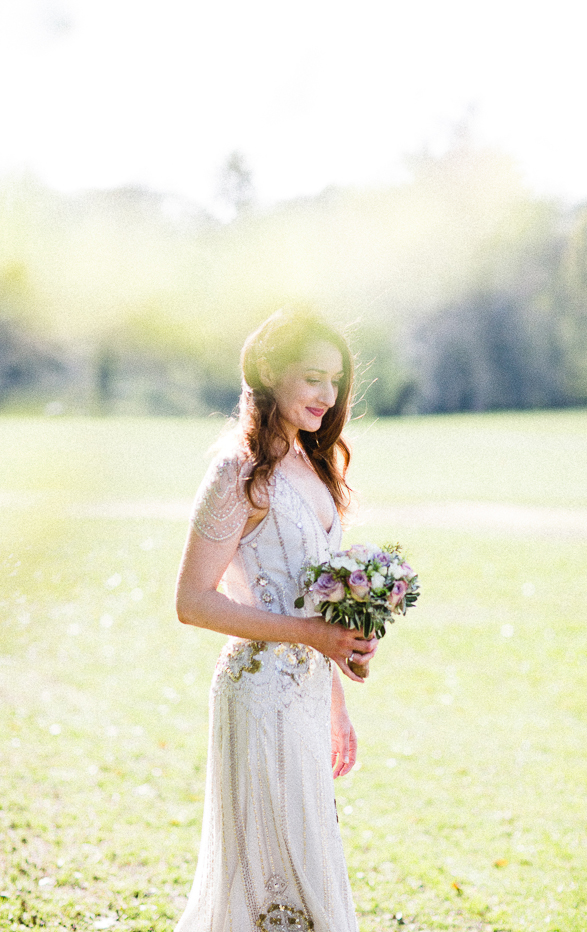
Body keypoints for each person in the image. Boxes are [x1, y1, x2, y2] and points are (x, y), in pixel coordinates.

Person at [174, 308, 377, 932]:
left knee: (310, 854)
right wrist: (318, 635)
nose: (327, 394)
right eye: (312, 377)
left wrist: (340, 671)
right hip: (257, 694)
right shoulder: (237, 472)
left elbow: (309, 603)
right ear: (268, 370)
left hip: (310, 695)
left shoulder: (317, 467)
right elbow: (191, 601)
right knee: (273, 867)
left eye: (335, 380)